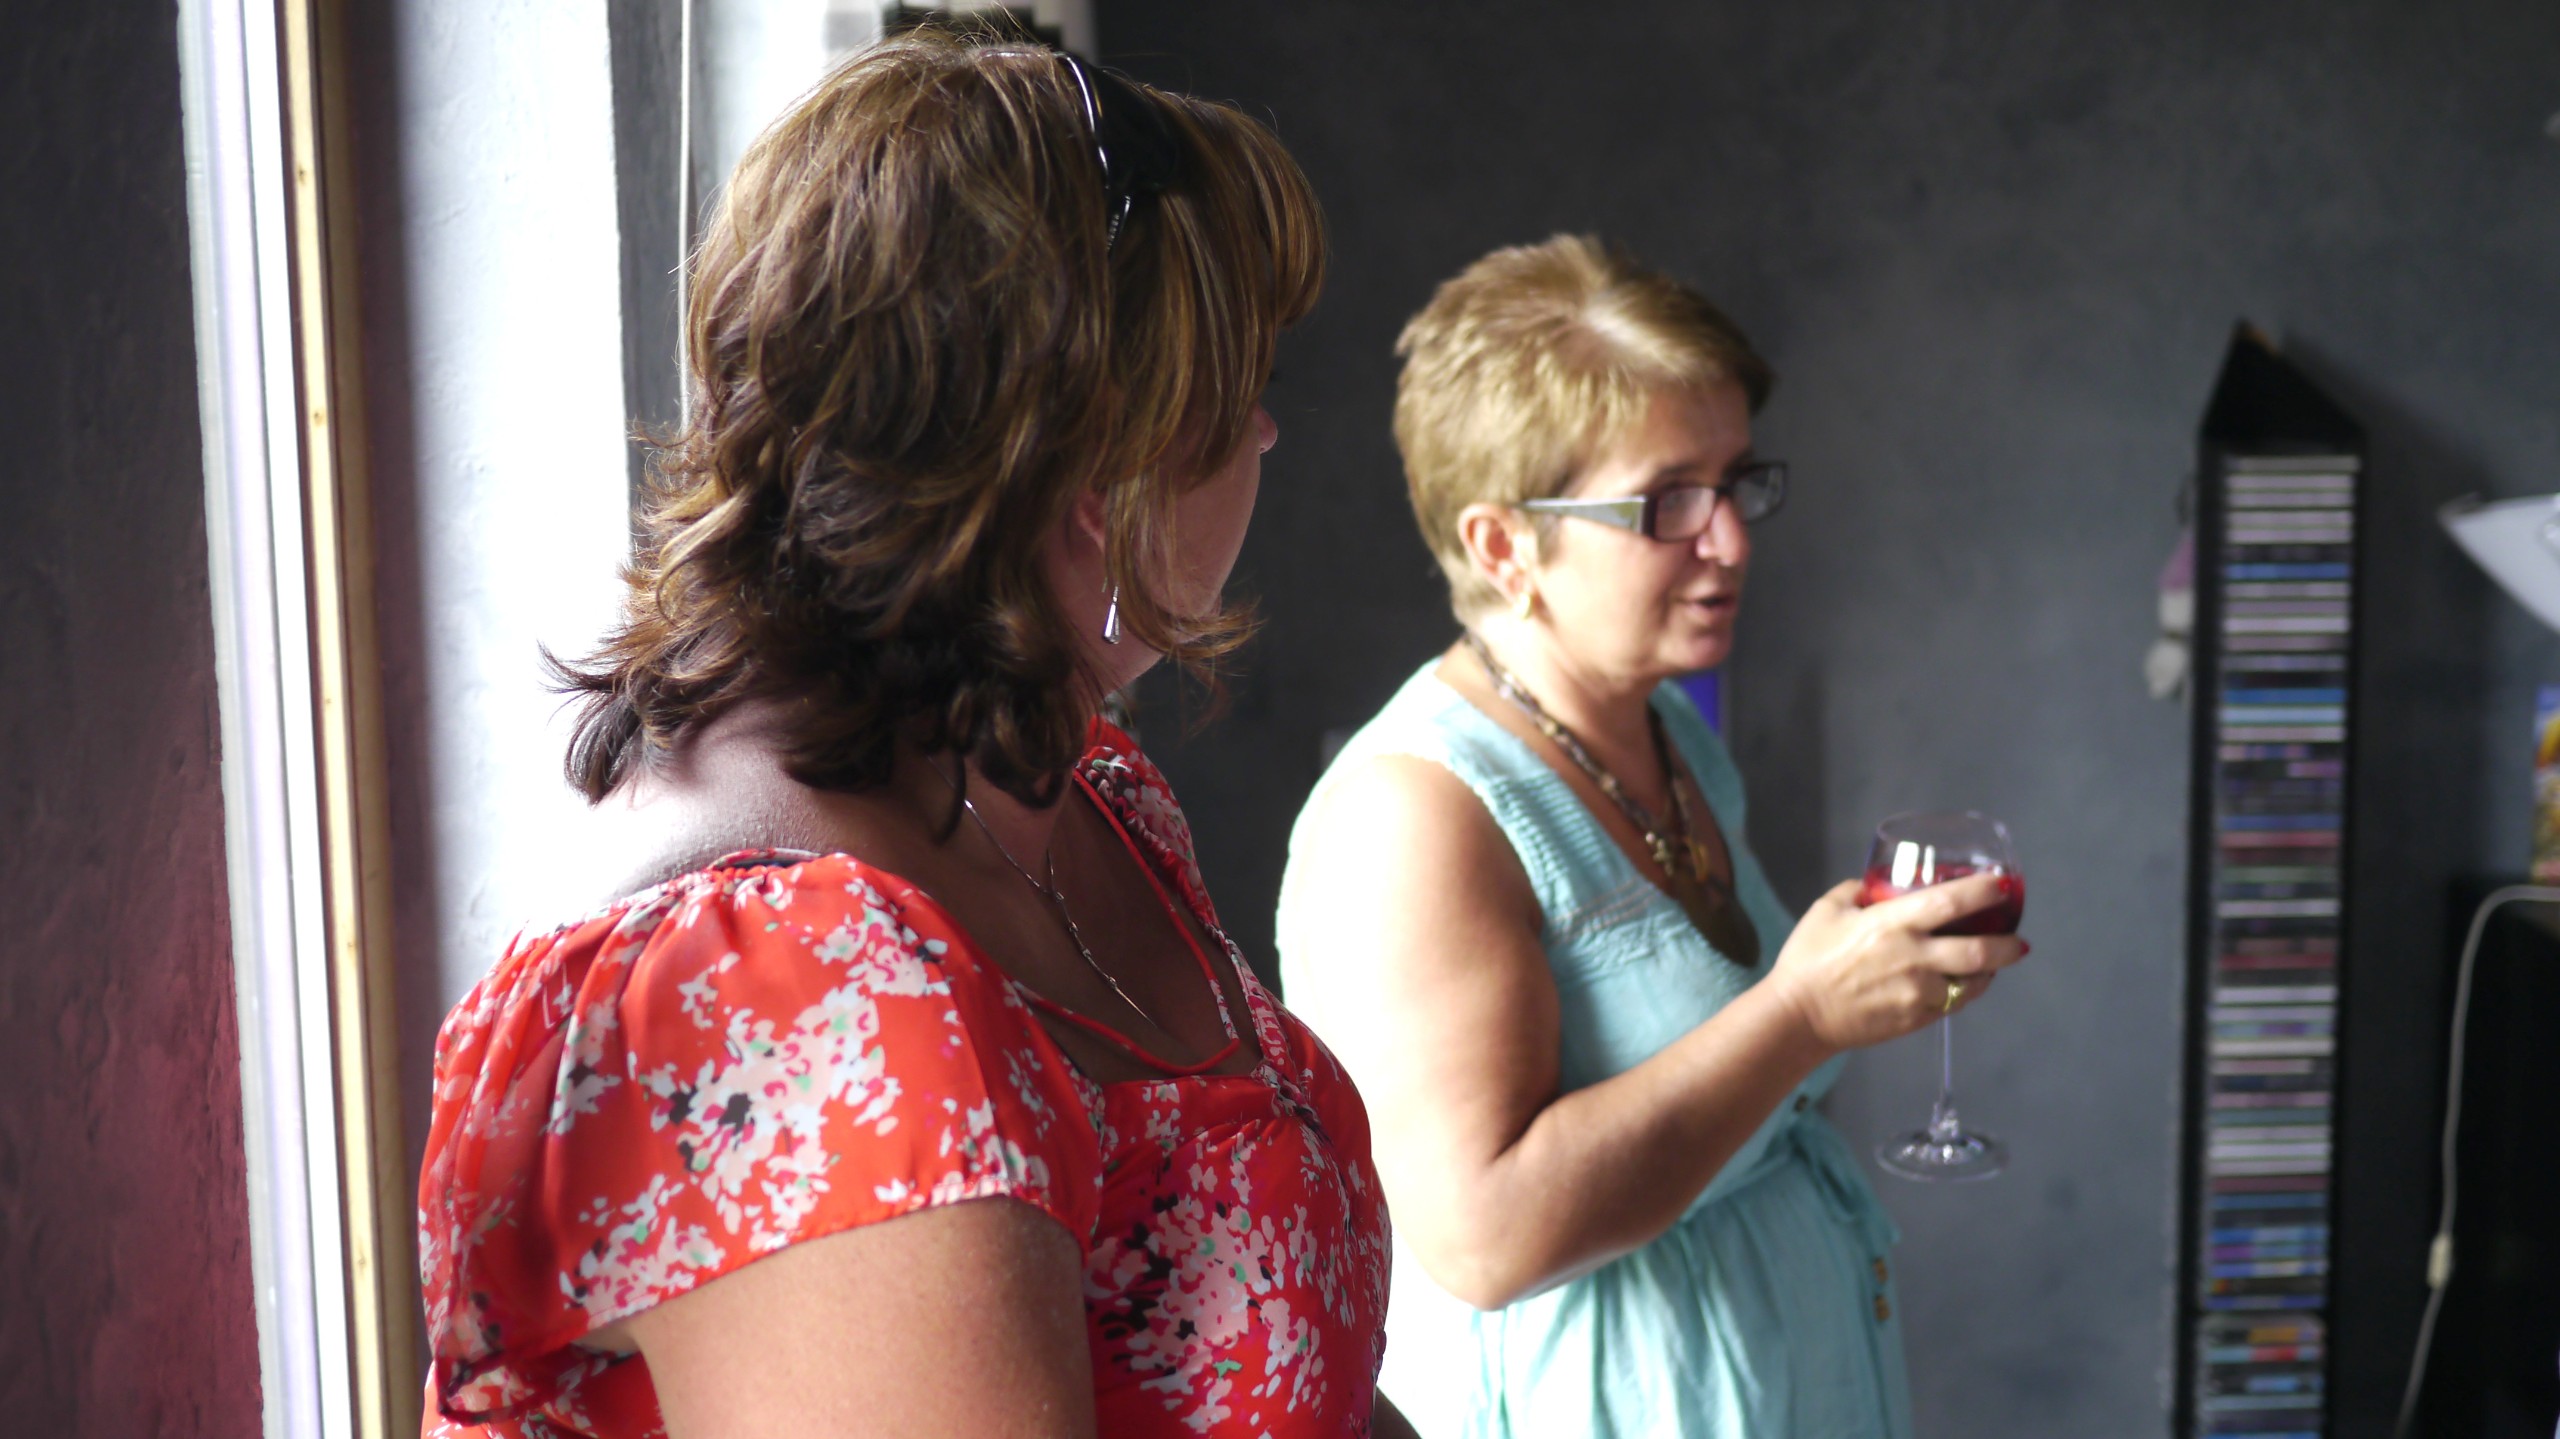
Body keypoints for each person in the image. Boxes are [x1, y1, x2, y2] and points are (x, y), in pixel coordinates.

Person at [415, 33, 1411, 1438]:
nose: (1266, 435)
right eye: (1242, 385)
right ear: (1104, 463)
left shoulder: (1074, 793)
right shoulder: (770, 989)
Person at [1275, 234, 2029, 1438]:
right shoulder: (1412, 813)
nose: (1729, 539)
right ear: (1503, 545)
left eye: (1734, 482)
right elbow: (1481, 1237)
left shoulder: (1663, 725)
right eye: (1669, 499)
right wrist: (1802, 1014)